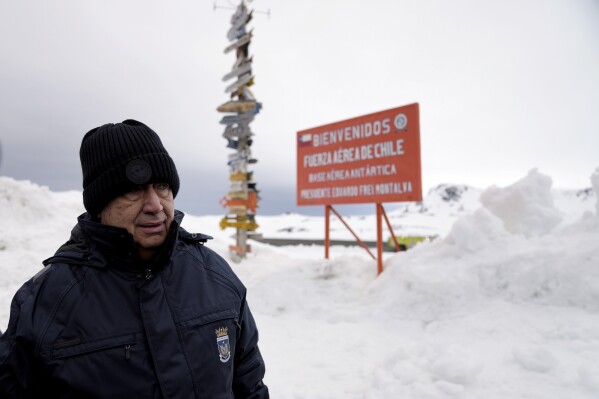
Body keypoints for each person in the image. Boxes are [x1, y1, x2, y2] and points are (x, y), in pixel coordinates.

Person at [0, 119, 269, 398]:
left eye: (162, 186)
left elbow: (250, 386)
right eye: (133, 190)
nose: (155, 205)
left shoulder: (215, 275)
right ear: (100, 204)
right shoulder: (46, 301)